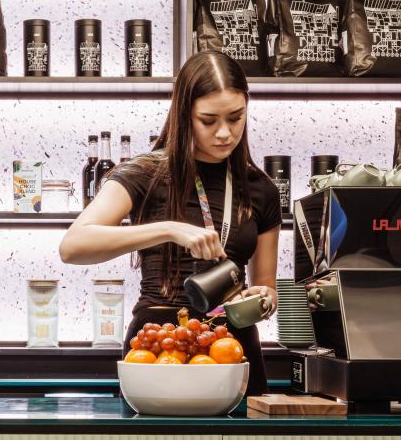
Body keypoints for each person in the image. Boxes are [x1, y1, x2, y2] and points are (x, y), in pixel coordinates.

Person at [59, 50, 280, 393]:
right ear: (184, 115)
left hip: (231, 346)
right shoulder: (145, 173)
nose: (224, 133)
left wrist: (264, 298)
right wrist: (169, 228)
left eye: (235, 118)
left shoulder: (261, 189)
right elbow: (73, 246)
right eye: (209, 120)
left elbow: (266, 286)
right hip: (160, 343)